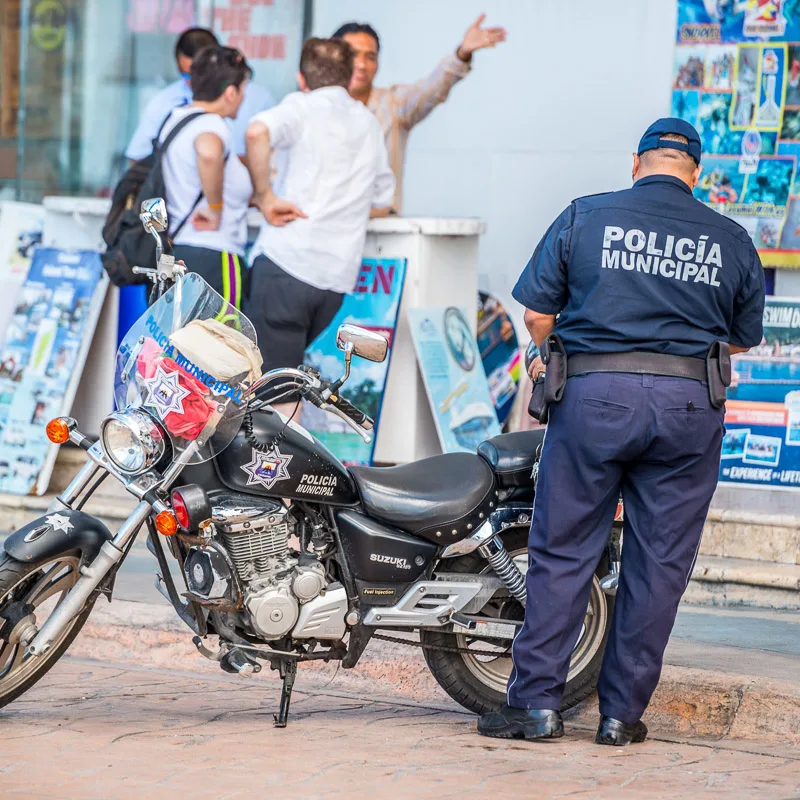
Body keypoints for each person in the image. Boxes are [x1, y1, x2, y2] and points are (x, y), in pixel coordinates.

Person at [477, 119, 765, 746]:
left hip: (594, 399)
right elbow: (741, 337)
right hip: (689, 406)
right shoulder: (731, 238)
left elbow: (535, 311)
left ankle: (535, 707)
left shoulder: (586, 214)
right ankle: (619, 717)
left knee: (562, 551)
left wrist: (557, 352)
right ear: (698, 173)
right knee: (659, 563)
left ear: (636, 162)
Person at [244, 38, 394, 417]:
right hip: (334, 281)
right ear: (349, 75)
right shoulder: (368, 122)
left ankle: (276, 475)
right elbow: (383, 199)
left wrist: (265, 196)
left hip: (287, 264)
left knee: (273, 388)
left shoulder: (302, 106)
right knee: (287, 378)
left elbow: (256, 132)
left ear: (301, 77)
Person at [333, 15, 506, 211]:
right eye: (352, 55)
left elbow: (431, 89)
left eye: (370, 56)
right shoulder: (313, 110)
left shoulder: (392, 105)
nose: (362, 64)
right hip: (328, 229)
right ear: (333, 58)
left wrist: (462, 54)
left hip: (384, 229)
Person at [159, 46, 254, 308]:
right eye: (243, 89)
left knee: (176, 344)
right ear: (230, 92)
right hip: (214, 256)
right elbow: (209, 153)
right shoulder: (213, 124)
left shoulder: (175, 119)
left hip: (179, 251)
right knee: (221, 344)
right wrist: (215, 208)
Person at [126, 27, 275, 162]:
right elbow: (138, 157)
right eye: (186, 75)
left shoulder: (257, 97)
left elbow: (275, 156)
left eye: (200, 74)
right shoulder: (164, 102)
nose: (193, 82)